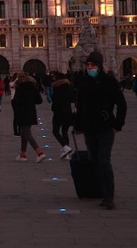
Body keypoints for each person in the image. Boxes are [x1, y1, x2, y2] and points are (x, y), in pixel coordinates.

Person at [74, 51, 127, 210]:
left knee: (104, 161)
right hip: (90, 128)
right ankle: (101, 192)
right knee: (96, 161)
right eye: (88, 65)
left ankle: (109, 197)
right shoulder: (83, 82)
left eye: (93, 65)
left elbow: (121, 104)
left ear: (99, 66)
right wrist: (78, 126)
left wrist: (117, 124)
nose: (90, 68)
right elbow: (80, 105)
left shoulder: (109, 81)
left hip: (105, 128)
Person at [11, 73, 45, 162]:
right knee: (23, 132)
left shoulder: (20, 88)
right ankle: (22, 154)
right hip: (31, 112)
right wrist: (30, 102)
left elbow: (16, 101)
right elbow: (39, 101)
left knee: (27, 133)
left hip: (22, 113)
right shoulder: (33, 87)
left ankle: (39, 152)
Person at [50, 72, 74, 160]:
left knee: (55, 131)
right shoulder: (69, 86)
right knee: (65, 132)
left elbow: (56, 100)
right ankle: (66, 153)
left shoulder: (57, 87)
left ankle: (65, 147)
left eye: (54, 77)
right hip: (67, 112)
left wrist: (54, 109)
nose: (53, 78)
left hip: (59, 113)